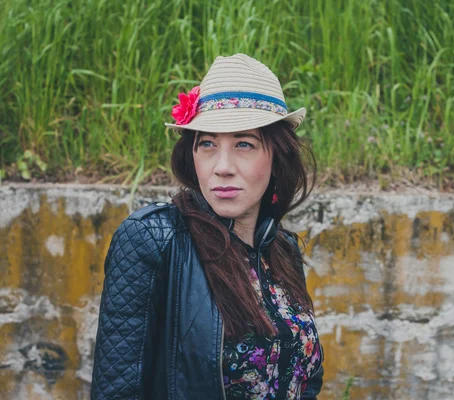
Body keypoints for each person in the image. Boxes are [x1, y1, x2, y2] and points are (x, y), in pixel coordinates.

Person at [90, 54, 324, 399]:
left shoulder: (283, 249)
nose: (222, 167)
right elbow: (117, 391)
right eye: (208, 144)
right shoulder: (153, 240)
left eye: (244, 144)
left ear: (277, 156)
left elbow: (305, 379)